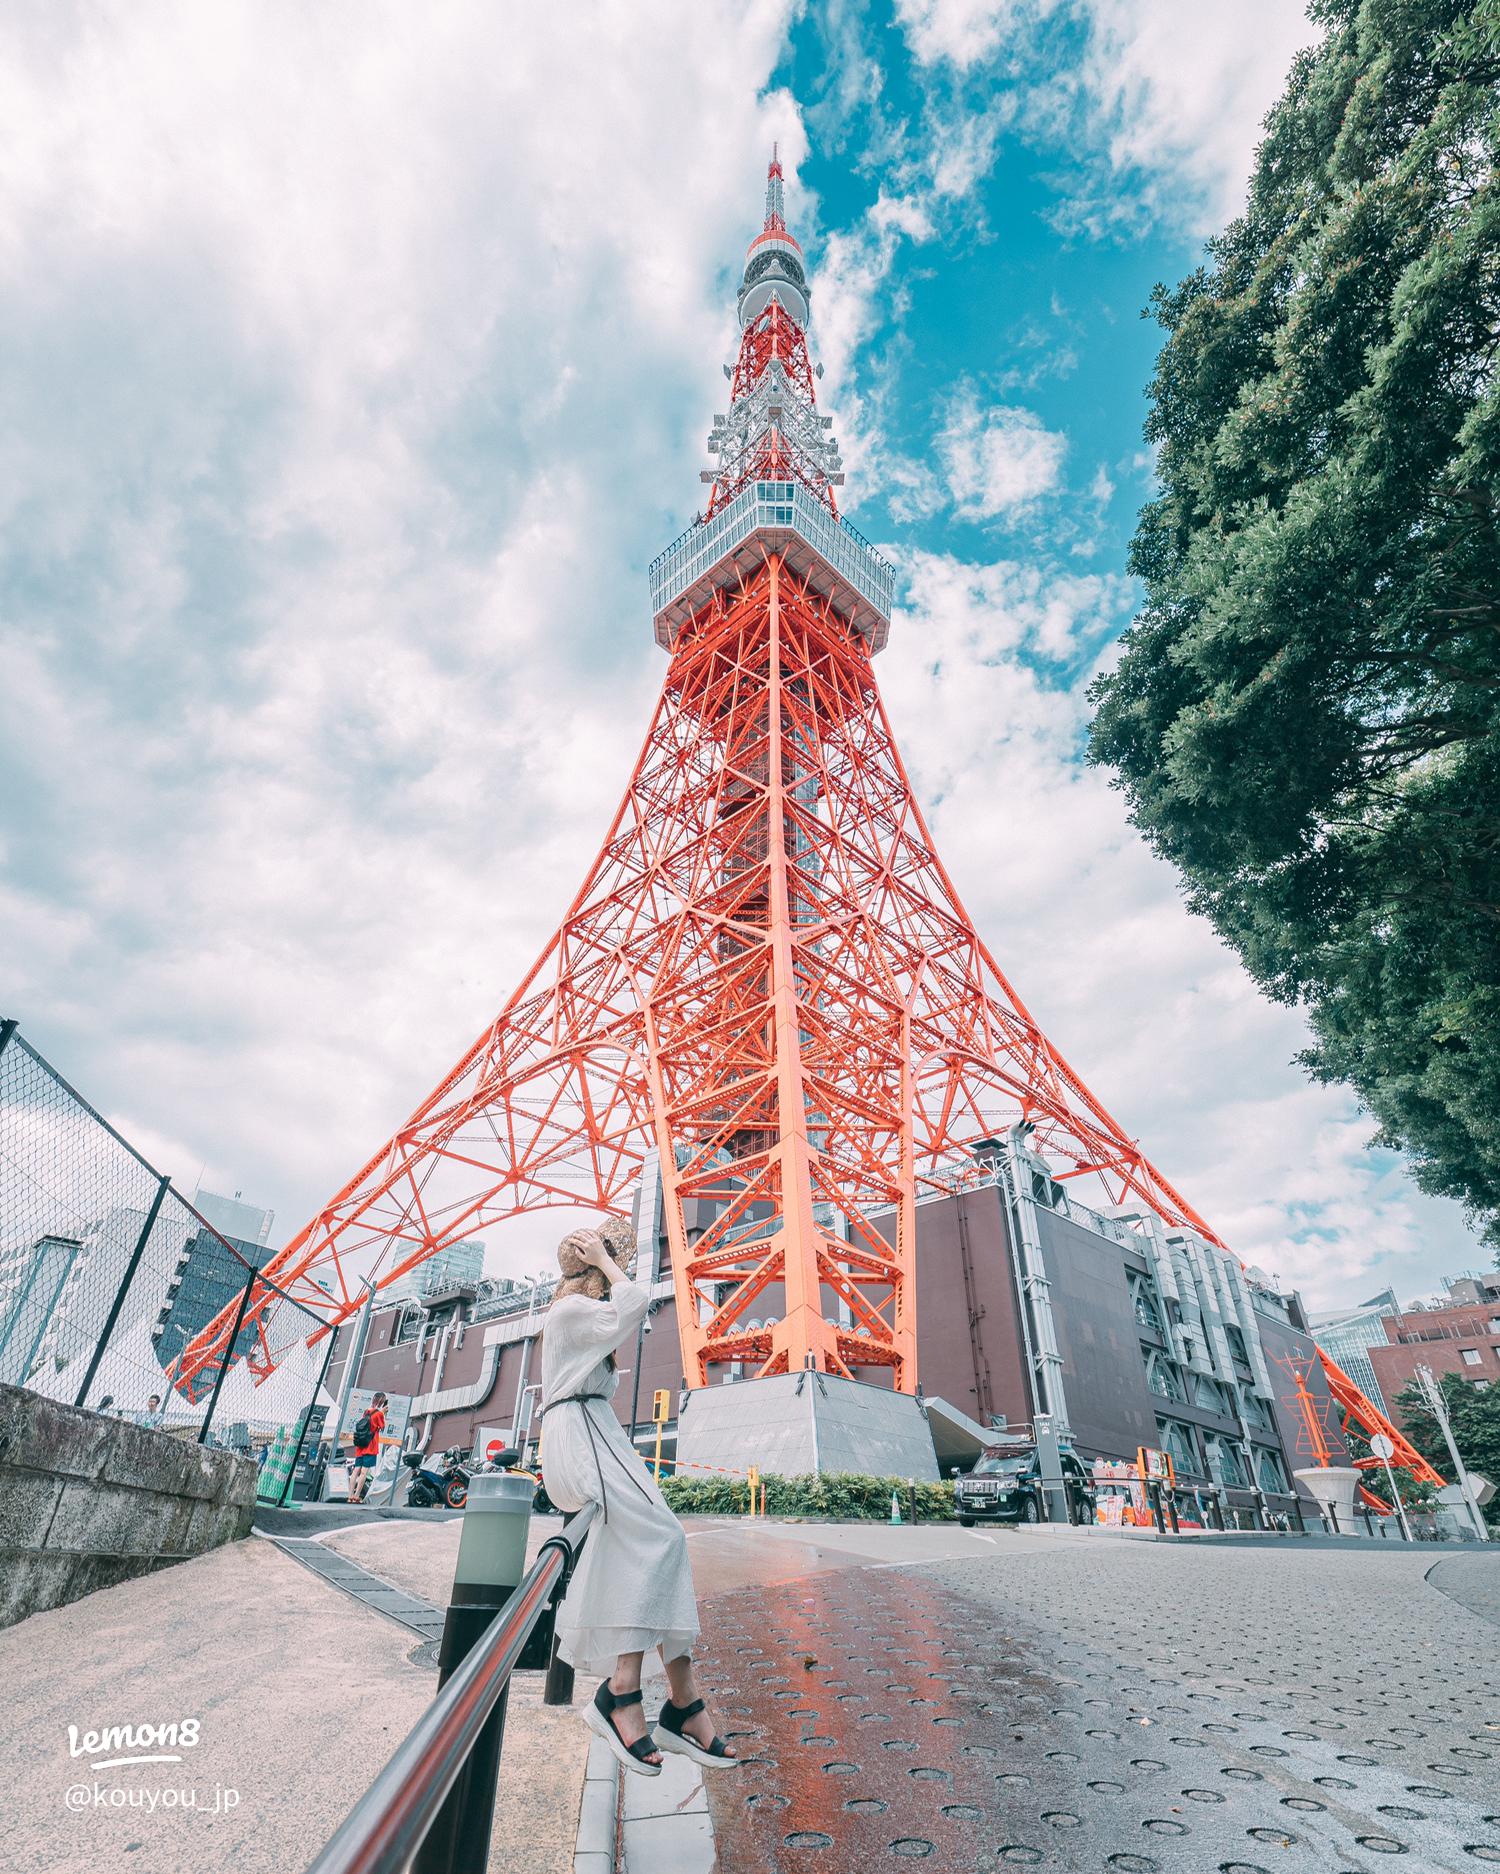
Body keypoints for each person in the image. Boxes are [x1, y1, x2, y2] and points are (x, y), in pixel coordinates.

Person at [541, 1224, 736, 1778]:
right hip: (580, 1432)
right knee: (657, 1536)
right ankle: (629, 1694)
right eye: (609, 1259)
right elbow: (635, 1299)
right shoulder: (571, 1313)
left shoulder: (576, 1317)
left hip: (591, 1429)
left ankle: (678, 1699)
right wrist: (610, 1260)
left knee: (659, 1539)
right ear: (596, 1266)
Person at [348, 1392, 387, 1505]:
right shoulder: (379, 1414)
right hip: (370, 1446)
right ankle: (356, 1496)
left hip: (361, 1445)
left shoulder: (367, 1411)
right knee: (364, 1472)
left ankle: (350, 1495)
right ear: (382, 1402)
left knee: (356, 1470)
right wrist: (383, 1413)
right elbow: (382, 1427)